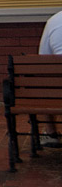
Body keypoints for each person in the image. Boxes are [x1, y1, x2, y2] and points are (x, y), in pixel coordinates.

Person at [38, 10, 62, 148]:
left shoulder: (53, 21)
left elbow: (43, 60)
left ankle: (51, 133)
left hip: (55, 95)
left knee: (44, 83)